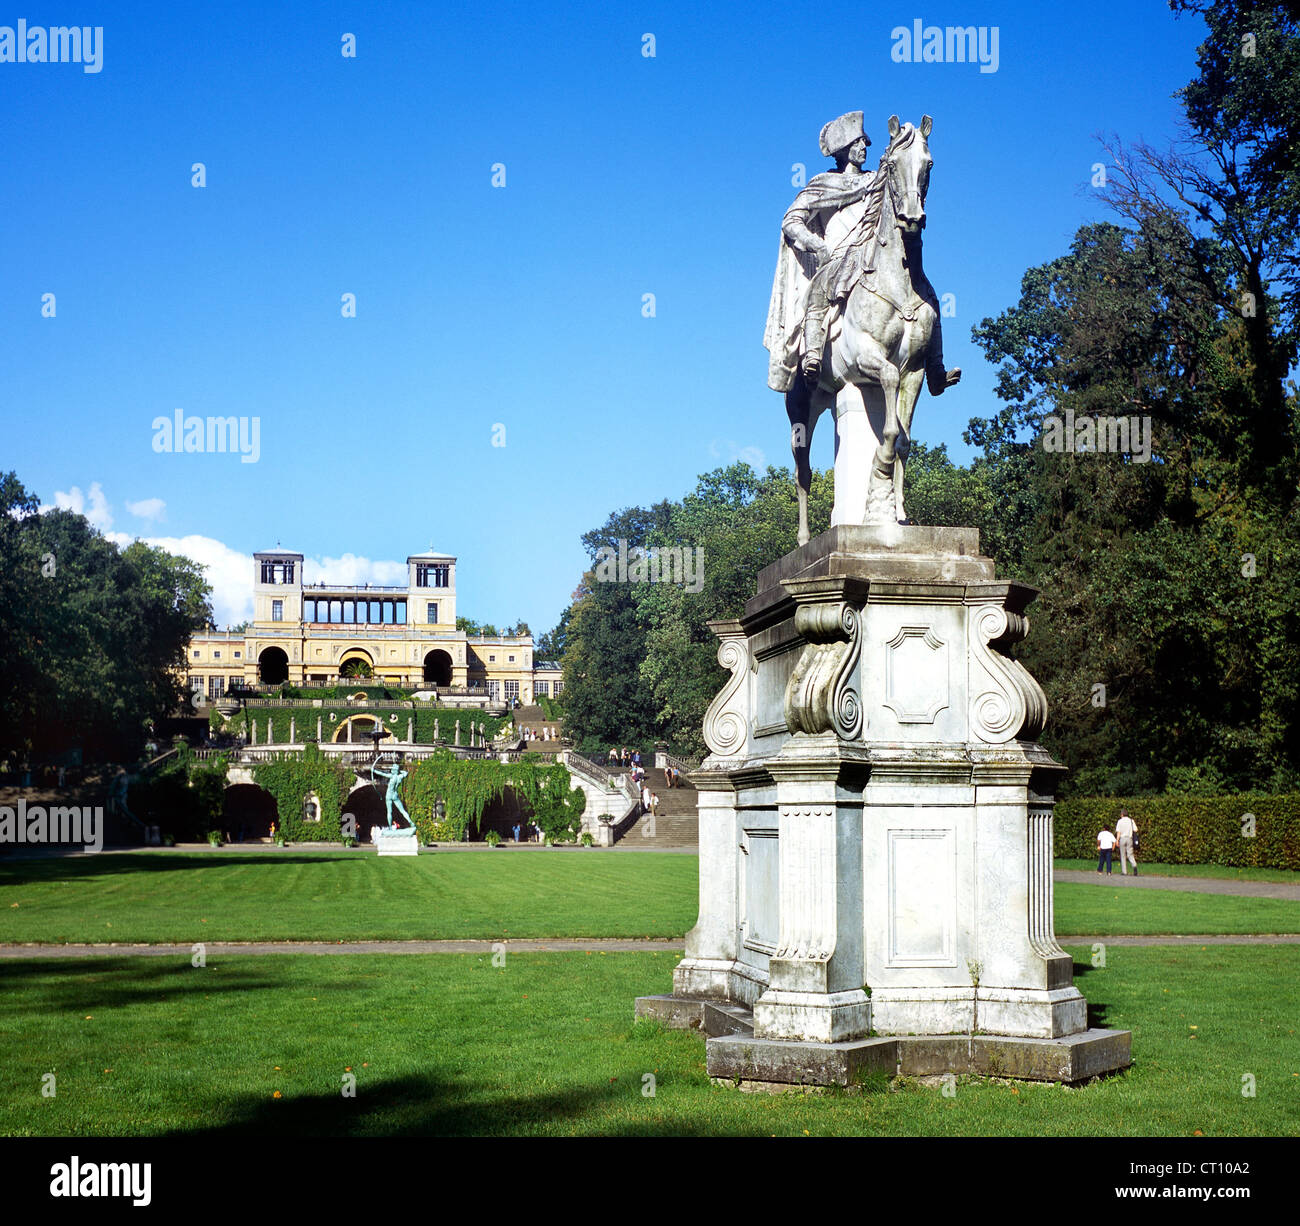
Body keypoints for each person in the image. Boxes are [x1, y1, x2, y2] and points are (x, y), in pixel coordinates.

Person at [764, 110, 877, 388]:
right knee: (818, 291)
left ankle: (935, 365)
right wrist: (816, 245)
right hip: (837, 256)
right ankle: (813, 352)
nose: (863, 148)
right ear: (844, 149)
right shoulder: (823, 184)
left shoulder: (876, 180)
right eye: (858, 143)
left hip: (873, 254)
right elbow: (791, 220)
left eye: (865, 143)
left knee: (922, 291)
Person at [1115, 809, 1138, 877]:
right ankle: (1134, 865)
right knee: (1130, 854)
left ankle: (1124, 871)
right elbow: (1136, 829)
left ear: (1122, 814)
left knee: (1123, 855)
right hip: (1129, 838)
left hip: (1122, 838)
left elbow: (1118, 832)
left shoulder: (1120, 821)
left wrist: (1117, 840)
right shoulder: (1131, 820)